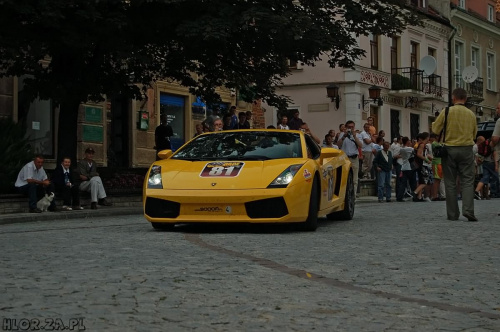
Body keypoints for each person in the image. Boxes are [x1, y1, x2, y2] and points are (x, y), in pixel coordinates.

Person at [432, 88, 477, 221]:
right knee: (468, 181)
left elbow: (435, 129)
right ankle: (468, 210)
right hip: (467, 149)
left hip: (450, 149)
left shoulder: (447, 111)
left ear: (453, 98)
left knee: (450, 182)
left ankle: (452, 214)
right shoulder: (471, 114)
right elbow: (474, 135)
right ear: (466, 98)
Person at [337, 120, 363, 197]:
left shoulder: (358, 135)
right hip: (345, 158)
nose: (351, 128)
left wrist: (354, 136)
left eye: (352, 127)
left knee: (355, 179)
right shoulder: (342, 134)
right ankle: (344, 196)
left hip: (354, 158)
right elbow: (338, 145)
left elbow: (361, 145)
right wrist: (344, 136)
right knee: (344, 178)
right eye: (349, 127)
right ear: (346, 127)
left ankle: (353, 196)